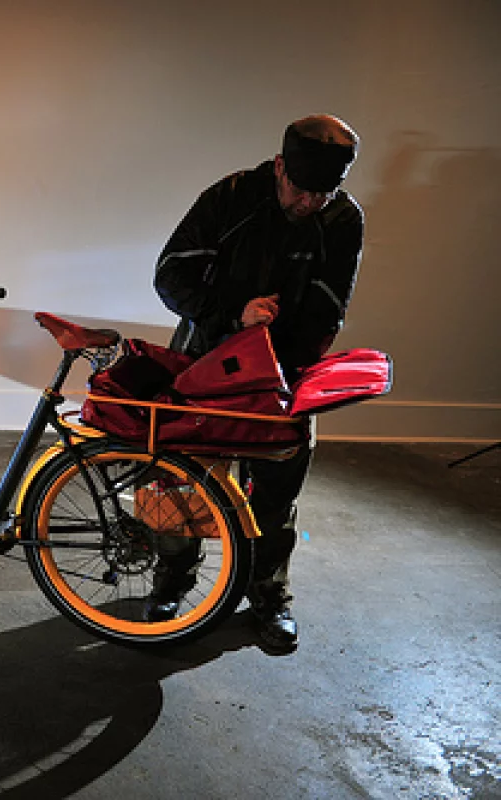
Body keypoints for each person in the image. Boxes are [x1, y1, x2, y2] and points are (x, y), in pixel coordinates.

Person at [151, 114, 364, 651]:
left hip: (286, 370)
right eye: (300, 189)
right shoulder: (230, 198)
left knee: (276, 487)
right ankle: (171, 581)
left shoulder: (341, 217)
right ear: (278, 167)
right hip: (207, 357)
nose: (309, 203)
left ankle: (268, 595)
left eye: (323, 192)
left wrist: (279, 360)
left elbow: (331, 304)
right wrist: (232, 315)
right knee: (179, 476)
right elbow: (170, 274)